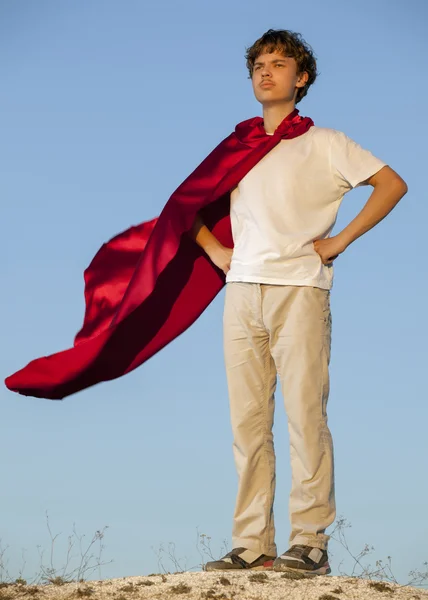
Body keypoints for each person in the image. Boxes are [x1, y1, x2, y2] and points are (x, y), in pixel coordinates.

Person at [190, 29, 407, 577]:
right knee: (247, 421)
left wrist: (339, 241)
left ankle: (309, 540)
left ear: (301, 78)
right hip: (241, 291)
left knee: (305, 415)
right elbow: (183, 207)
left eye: (279, 63)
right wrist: (218, 253)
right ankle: (252, 542)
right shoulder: (236, 145)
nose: (267, 72)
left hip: (302, 289)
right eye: (259, 65)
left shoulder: (327, 142)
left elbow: (391, 184)